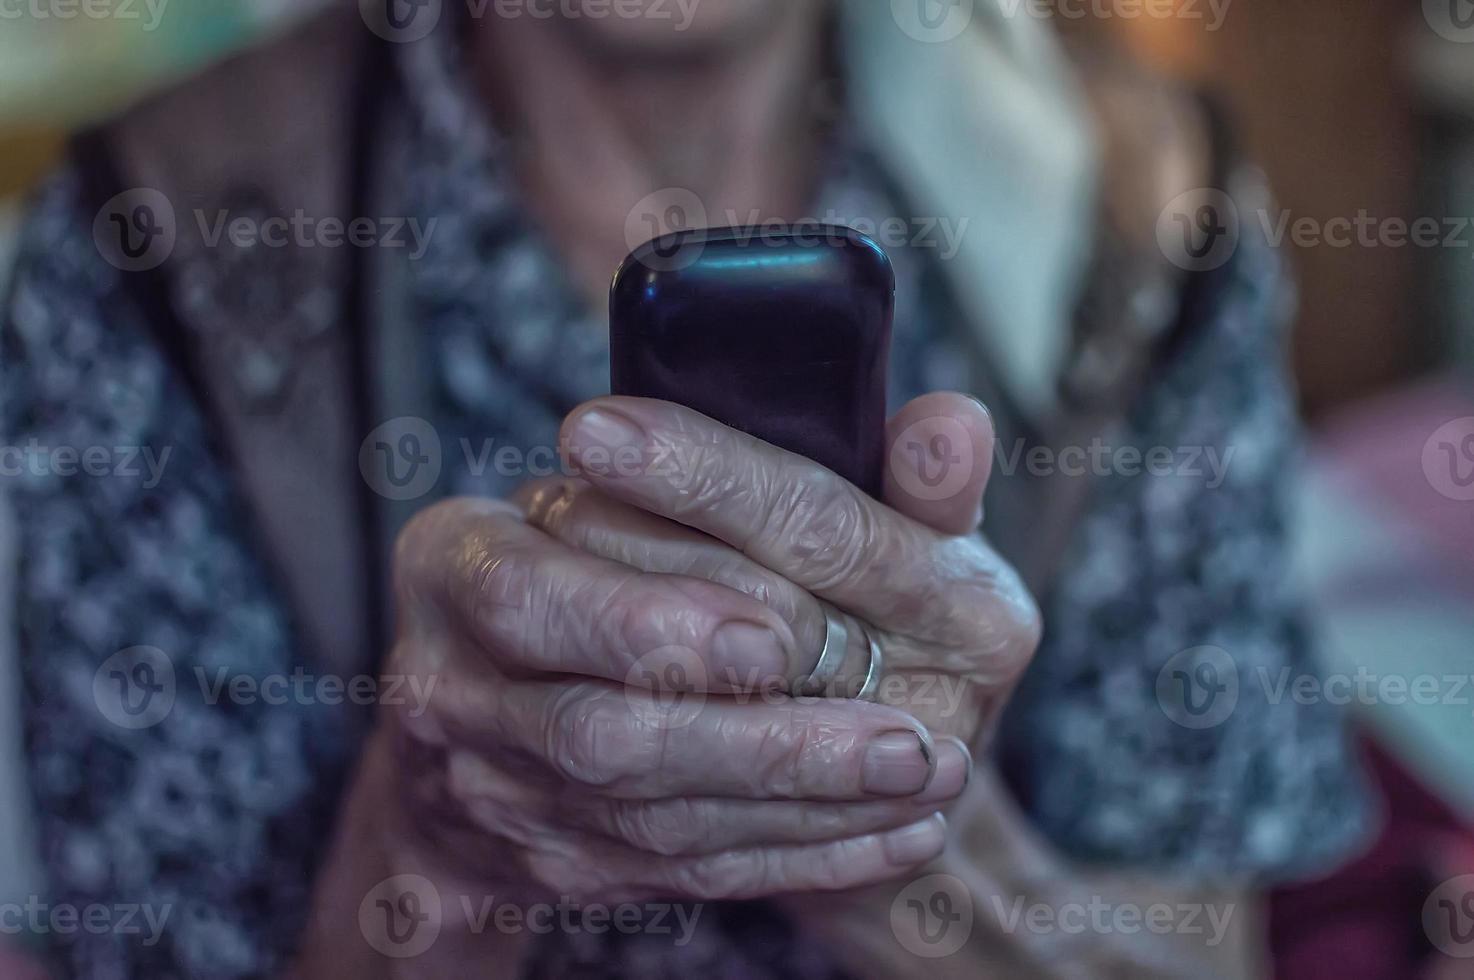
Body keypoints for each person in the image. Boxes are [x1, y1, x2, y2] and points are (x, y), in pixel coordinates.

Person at [0, 1, 1370, 976]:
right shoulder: (145, 244)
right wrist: (433, 846)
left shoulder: (1139, 227)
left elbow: (1196, 939)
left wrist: (894, 839)